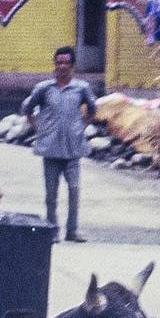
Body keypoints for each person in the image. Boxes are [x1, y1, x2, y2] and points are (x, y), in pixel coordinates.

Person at [20, 46, 97, 243]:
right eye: (58, 63)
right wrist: (38, 128)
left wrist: (81, 126)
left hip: (73, 149)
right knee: (51, 194)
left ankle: (72, 231)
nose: (61, 67)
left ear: (72, 66)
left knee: (74, 190)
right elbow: (27, 108)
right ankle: (52, 231)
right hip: (50, 148)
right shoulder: (44, 88)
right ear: (54, 64)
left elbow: (92, 108)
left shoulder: (81, 88)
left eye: (66, 63)